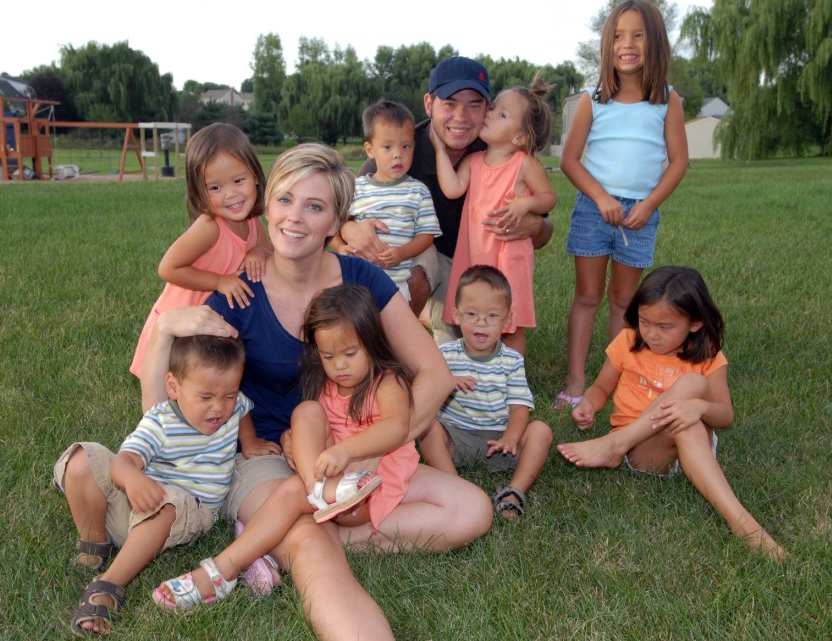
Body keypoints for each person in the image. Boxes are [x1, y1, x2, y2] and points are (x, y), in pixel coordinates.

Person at [139, 144, 493, 641]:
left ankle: (281, 532)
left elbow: (433, 373)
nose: (295, 218)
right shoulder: (240, 294)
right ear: (267, 206)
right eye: (285, 200)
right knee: (312, 546)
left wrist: (375, 452)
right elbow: (167, 416)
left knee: (472, 509)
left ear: (335, 222)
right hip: (265, 456)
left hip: (355, 447)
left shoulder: (360, 280)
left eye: (314, 206)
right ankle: (302, 542)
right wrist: (164, 333)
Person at [152, 284, 424, 610]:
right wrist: (294, 442)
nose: (338, 365)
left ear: (372, 342)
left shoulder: (388, 381)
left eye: (349, 354)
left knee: (292, 493)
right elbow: (316, 426)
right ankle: (315, 492)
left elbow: (396, 427)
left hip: (364, 491)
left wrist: (346, 451)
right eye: (327, 356)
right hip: (326, 477)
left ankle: (221, 570)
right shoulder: (326, 382)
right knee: (305, 412)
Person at [556, 266, 786, 560]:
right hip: (646, 451)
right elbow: (601, 388)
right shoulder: (628, 342)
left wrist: (699, 406)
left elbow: (725, 415)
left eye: (665, 327)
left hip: (695, 451)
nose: (651, 333)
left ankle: (742, 524)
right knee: (686, 407)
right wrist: (589, 404)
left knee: (691, 396)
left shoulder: (709, 353)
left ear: (695, 324)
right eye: (644, 321)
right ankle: (745, 525)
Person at [342, 56, 554, 344]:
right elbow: (340, 213)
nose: (461, 116)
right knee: (419, 280)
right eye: (450, 104)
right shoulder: (401, 150)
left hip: (480, 256)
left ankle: (433, 319)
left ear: (487, 111)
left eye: (475, 105)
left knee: (469, 336)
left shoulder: (498, 148)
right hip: (425, 251)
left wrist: (531, 224)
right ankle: (395, 340)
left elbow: (545, 228)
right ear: (429, 104)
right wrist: (346, 228)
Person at [54, 335, 252, 636]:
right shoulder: (160, 422)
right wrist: (133, 479)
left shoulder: (234, 404)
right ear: (173, 386)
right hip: (137, 502)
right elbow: (123, 462)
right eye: (206, 397)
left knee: (166, 499)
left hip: (185, 512)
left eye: (228, 395)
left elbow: (243, 410)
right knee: (83, 458)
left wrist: (251, 442)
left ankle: (109, 584)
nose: (219, 408)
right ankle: (95, 543)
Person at [555, 0, 689, 410]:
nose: (626, 44)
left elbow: (679, 162)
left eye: (637, 35)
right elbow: (569, 161)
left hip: (639, 215)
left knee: (623, 301)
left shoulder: (668, 101)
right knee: (588, 296)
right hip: (595, 209)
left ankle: (613, 379)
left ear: (656, 43)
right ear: (606, 44)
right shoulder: (592, 101)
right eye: (617, 35)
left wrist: (648, 205)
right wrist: (600, 197)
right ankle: (576, 379)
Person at [130, 123, 271, 377]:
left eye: (239, 180)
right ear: (199, 191)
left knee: (204, 388)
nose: (230, 194)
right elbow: (169, 268)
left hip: (211, 321)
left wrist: (260, 252)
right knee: (171, 392)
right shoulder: (209, 227)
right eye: (215, 187)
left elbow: (269, 252)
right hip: (180, 321)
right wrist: (218, 281)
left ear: (256, 178)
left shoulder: (254, 222)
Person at [434, 77, 557, 355]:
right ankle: (481, 372)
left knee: (509, 323)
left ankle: (513, 379)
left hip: (508, 256)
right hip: (477, 254)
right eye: (492, 109)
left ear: (520, 137)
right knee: (476, 316)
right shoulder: (473, 161)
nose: (489, 115)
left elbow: (549, 198)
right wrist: (440, 150)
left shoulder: (524, 165)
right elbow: (452, 189)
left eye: (501, 114)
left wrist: (524, 206)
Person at [419, 266, 552, 520]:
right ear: (456, 316)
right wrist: (444, 384)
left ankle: (514, 492)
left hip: (501, 442)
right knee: (428, 429)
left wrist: (511, 438)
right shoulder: (444, 355)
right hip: (456, 440)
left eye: (492, 316)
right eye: (472, 314)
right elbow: (422, 399)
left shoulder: (511, 361)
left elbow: (518, 408)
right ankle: (457, 488)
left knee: (541, 431)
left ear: (507, 321)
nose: (481, 322)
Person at [332, 100, 441, 317]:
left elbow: (427, 235)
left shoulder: (418, 191)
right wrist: (339, 247)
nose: (398, 154)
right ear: (370, 150)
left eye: (406, 146)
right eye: (388, 147)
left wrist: (402, 253)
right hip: (356, 280)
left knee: (393, 329)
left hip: (397, 283)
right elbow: (334, 224)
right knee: (357, 328)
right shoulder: (356, 187)